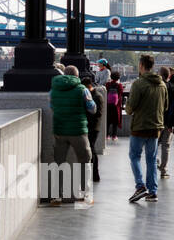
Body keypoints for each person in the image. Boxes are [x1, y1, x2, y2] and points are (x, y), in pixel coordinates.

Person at [48, 65, 96, 205]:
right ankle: (85, 194)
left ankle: (56, 196)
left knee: (59, 163)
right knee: (84, 161)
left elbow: (52, 106)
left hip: (59, 130)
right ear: (77, 76)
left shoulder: (54, 90)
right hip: (78, 131)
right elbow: (92, 108)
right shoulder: (83, 89)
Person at [125, 55, 167, 204]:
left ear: (141, 65)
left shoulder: (139, 84)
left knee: (134, 156)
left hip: (140, 127)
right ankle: (153, 192)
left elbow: (131, 107)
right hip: (156, 127)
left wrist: (128, 108)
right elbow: (165, 106)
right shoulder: (162, 84)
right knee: (151, 159)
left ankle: (140, 186)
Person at [81, 73, 105, 184]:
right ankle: (94, 174)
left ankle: (95, 174)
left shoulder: (97, 96)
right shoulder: (94, 95)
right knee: (91, 149)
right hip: (91, 126)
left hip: (93, 127)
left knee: (91, 149)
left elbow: (97, 114)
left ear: (87, 86)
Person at [158, 66, 174, 178]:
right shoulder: (173, 88)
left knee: (153, 144)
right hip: (168, 122)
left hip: (157, 121)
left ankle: (154, 163)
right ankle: (163, 170)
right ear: (169, 75)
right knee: (166, 146)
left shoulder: (157, 87)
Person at [105, 71, 124, 140]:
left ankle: (106, 135)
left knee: (108, 121)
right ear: (118, 77)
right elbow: (121, 93)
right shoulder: (119, 85)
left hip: (108, 105)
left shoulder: (107, 84)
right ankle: (114, 136)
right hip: (116, 106)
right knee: (115, 121)